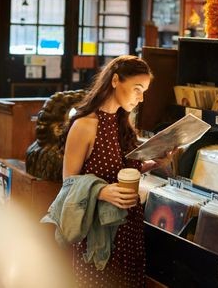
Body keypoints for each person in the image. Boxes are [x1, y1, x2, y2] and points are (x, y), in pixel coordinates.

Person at [60, 55, 172, 287]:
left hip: (129, 229)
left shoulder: (122, 122)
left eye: (144, 92)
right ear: (114, 81)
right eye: (137, 89)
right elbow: (68, 181)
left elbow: (119, 170)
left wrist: (154, 163)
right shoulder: (84, 125)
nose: (140, 98)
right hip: (99, 232)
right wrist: (101, 192)